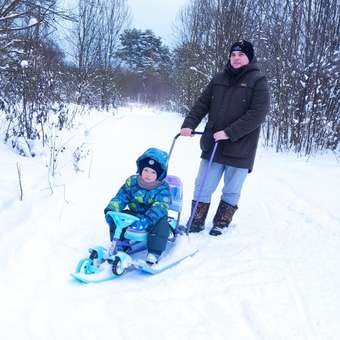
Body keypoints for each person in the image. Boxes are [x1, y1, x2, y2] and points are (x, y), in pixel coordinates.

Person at [180, 40, 270, 236]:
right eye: (233, 55)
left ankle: (221, 222)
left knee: (232, 188)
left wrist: (229, 132)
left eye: (241, 55)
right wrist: (189, 124)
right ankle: (196, 220)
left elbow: (257, 114)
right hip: (213, 143)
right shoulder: (219, 78)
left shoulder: (258, 81)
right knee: (203, 183)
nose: (236, 58)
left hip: (241, 147)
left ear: (249, 57)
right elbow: (201, 104)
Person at [104, 147, 171, 264]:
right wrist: (112, 209)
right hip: (135, 214)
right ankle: (120, 243)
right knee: (118, 217)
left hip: (153, 217)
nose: (148, 175)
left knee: (161, 225)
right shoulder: (132, 182)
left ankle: (154, 252)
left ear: (159, 175)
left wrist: (147, 220)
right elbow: (122, 196)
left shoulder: (163, 189)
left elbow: (160, 207)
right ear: (140, 169)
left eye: (153, 172)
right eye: (146, 170)